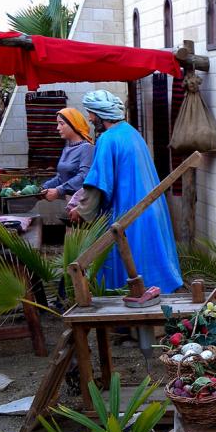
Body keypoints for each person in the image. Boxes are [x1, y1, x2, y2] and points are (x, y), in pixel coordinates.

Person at [80, 90, 183, 293]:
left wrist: (82, 212)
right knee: (151, 260)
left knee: (128, 265)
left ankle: (126, 316)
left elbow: (99, 181)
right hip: (149, 212)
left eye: (91, 113)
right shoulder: (132, 133)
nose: (90, 118)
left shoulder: (108, 139)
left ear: (101, 114)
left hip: (128, 214)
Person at [41, 108, 95, 217]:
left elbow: (84, 177)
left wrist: (59, 190)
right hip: (70, 204)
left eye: (61, 124)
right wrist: (43, 187)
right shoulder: (67, 148)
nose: (58, 128)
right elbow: (61, 177)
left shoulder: (87, 148)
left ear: (73, 124)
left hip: (82, 206)